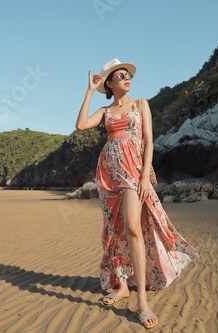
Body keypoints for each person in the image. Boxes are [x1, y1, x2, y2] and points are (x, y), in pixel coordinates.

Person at [76, 58, 198, 329]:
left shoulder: (141, 104)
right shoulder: (105, 110)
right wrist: (88, 91)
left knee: (133, 226)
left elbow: (149, 140)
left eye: (128, 74)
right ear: (109, 83)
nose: (127, 78)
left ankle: (142, 300)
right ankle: (122, 286)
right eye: (120, 75)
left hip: (133, 170)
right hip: (108, 173)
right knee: (115, 228)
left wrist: (144, 176)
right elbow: (81, 125)